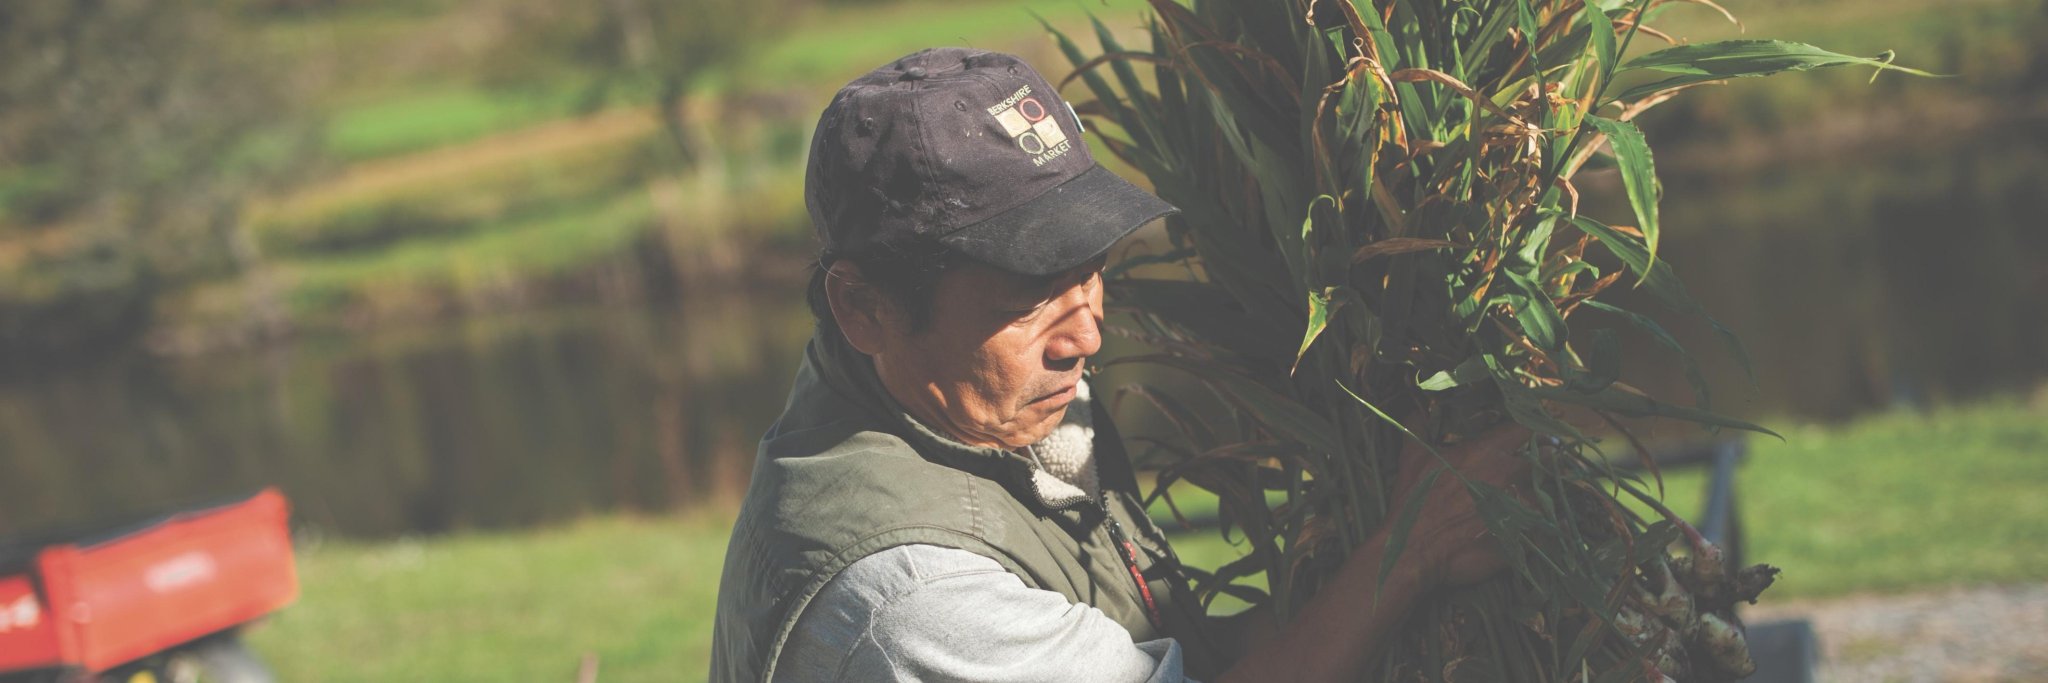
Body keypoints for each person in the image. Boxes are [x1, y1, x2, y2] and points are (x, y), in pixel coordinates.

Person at [709, 47, 1531, 683]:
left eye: (1090, 263)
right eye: (1031, 288)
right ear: (865, 309)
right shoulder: (912, 598)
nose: (1086, 335)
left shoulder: (962, 396)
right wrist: (1414, 551)